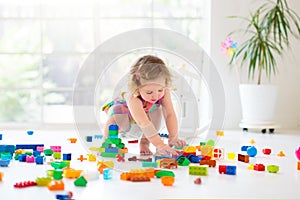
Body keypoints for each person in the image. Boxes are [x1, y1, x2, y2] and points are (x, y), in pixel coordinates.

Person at [102, 55, 186, 156]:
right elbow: (143, 122)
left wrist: (173, 137)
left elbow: (169, 114)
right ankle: (107, 142)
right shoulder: (133, 96)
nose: (156, 96)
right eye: (149, 92)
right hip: (125, 109)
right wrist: (160, 144)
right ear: (138, 85)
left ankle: (144, 143)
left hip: (147, 109)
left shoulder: (164, 90)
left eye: (160, 90)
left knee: (157, 113)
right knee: (120, 121)